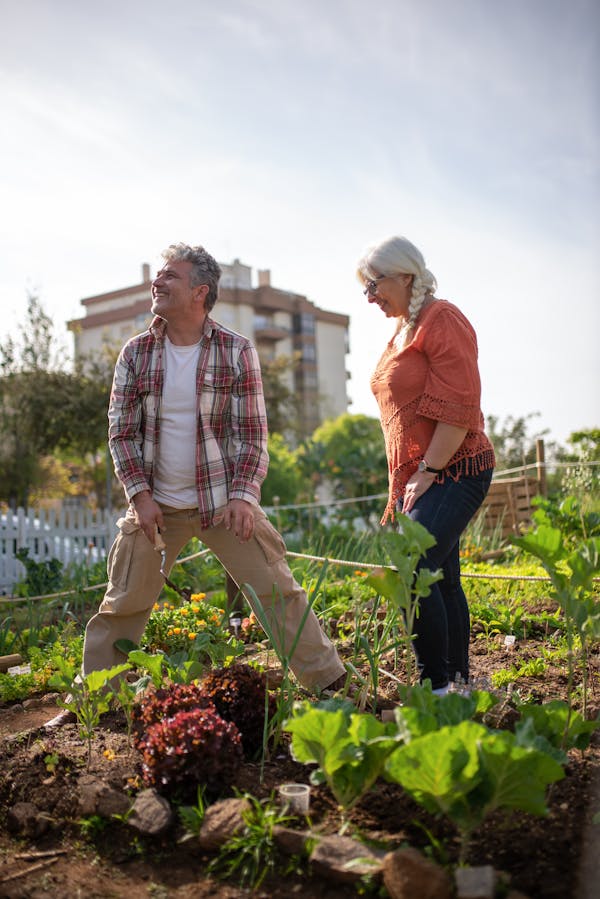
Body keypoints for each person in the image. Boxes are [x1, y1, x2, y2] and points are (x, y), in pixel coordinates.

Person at [47, 242, 345, 727]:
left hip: (223, 503)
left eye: (170, 277)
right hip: (155, 507)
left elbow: (252, 435)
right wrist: (139, 498)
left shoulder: (235, 350)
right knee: (123, 603)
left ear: (199, 292)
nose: (157, 283)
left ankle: (332, 685)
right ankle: (93, 705)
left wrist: (245, 497)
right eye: (157, 276)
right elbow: (120, 431)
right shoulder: (137, 351)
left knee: (278, 591)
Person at [356, 235, 495, 695]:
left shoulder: (441, 319)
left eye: (375, 285)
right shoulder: (403, 330)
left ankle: (435, 688)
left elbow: (460, 405)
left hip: (456, 467)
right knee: (441, 578)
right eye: (366, 289)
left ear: (406, 276)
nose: (371, 296)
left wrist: (428, 471)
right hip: (425, 472)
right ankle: (457, 685)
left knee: (412, 569)